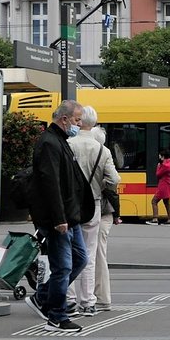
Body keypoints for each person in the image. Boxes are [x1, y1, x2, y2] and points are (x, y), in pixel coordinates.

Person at [23, 100, 88, 331]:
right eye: (77, 120)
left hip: (70, 216)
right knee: (62, 267)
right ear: (65, 119)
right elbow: (51, 184)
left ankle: (42, 297)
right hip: (59, 218)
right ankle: (57, 317)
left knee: (80, 259)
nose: (79, 125)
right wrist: (59, 218)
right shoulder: (50, 143)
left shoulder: (59, 141)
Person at [70, 107, 121, 313]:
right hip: (94, 206)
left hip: (71, 206)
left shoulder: (68, 145)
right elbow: (114, 180)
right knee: (89, 255)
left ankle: (69, 298)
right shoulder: (102, 150)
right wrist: (99, 186)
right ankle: (88, 301)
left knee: (69, 253)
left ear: (79, 121)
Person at [151, 151, 170, 225]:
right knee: (167, 203)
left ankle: (155, 219)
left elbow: (158, 174)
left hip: (163, 186)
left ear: (163, 156)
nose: (159, 158)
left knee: (154, 201)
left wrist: (158, 166)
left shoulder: (165, 165)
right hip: (168, 186)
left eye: (160, 156)